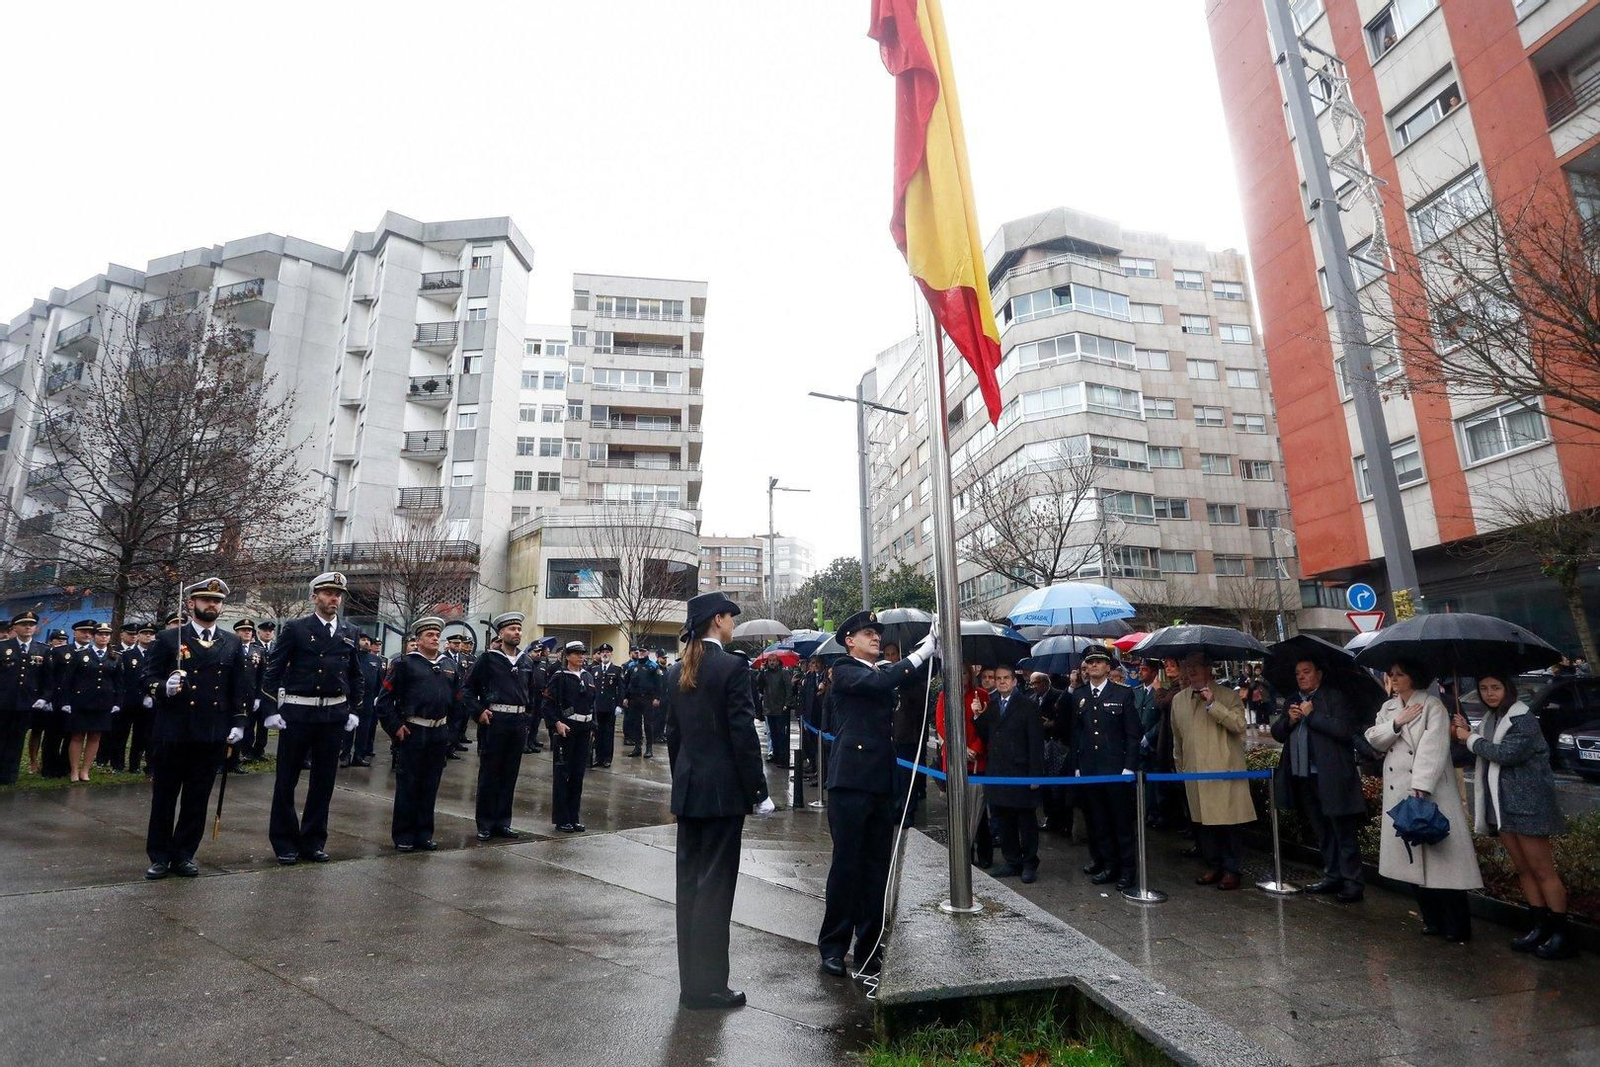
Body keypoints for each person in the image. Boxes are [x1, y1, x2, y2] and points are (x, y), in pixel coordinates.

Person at [662, 592, 774, 1010]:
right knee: (715, 890)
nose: (732, 623)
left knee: (690, 888)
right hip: (724, 794)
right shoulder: (731, 667)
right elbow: (743, 735)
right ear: (718, 620)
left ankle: (691, 984)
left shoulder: (675, 671)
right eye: (729, 617)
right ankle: (710, 987)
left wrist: (682, 783)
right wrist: (758, 791)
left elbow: (673, 737)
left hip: (690, 791)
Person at [818, 612, 936, 980]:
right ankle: (834, 946)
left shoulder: (881, 670)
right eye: (868, 633)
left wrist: (934, 649)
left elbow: (905, 679)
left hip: (881, 781)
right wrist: (921, 652)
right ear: (849, 640)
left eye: (876, 633)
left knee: (876, 869)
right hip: (850, 781)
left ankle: (869, 947)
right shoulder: (845, 669)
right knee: (847, 865)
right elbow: (881, 681)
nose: (875, 638)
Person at [1453, 669, 1575, 958]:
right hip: (1503, 805)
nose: (1489, 693)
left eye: (1495, 687)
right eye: (1483, 688)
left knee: (1543, 870)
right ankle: (1539, 926)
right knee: (1523, 868)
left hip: (1529, 805)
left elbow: (1505, 754)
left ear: (1508, 689)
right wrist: (1464, 732)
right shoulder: (1491, 718)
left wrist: (1469, 737)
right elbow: (1480, 746)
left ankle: (1562, 934)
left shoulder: (1523, 719)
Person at [1363, 658, 1482, 943]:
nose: (1393, 680)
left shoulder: (1432, 705)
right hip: (1399, 791)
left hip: (1430, 792)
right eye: (1391, 675)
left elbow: (1435, 746)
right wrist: (1396, 723)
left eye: (1399, 675)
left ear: (1412, 678)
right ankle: (1432, 919)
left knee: (1445, 863)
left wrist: (1421, 785)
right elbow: (1373, 738)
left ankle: (1456, 923)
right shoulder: (1388, 708)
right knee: (1412, 858)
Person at [141, 579, 251, 879]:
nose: (211, 605)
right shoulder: (168, 639)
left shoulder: (231, 642)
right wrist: (165, 686)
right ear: (191, 604)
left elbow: (238, 687)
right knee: (164, 796)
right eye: (205, 600)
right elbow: (146, 676)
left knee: (197, 798)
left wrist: (239, 722)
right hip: (173, 730)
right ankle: (159, 856)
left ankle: (184, 854)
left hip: (211, 731)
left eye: (216, 601)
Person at [260, 572, 365, 865]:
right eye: (328, 593)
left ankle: (313, 840)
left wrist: (354, 709)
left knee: (324, 782)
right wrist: (271, 711)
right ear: (314, 597)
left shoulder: (349, 630)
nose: (334, 598)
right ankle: (284, 842)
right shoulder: (296, 628)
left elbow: (355, 674)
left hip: (332, 714)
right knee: (286, 781)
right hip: (299, 712)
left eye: (338, 594)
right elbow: (273, 671)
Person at [1271, 658, 1366, 903]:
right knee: (1322, 830)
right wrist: (1290, 721)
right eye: (1297, 673)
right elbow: (1278, 733)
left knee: (1343, 830)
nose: (1301, 677)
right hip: (1304, 776)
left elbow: (1345, 730)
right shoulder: (1293, 699)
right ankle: (1332, 874)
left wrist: (1312, 716)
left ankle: (1352, 881)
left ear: (1319, 674)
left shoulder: (1335, 698)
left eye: (1306, 672)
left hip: (1333, 776)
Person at [377, 617, 465, 853]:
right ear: (418, 640)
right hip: (414, 731)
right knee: (408, 785)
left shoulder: (449, 665)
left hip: (439, 733)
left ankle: (424, 834)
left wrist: (451, 732)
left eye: (438, 635)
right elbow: (384, 702)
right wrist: (396, 726)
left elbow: (458, 702)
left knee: (430, 785)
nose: (435, 639)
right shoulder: (405, 664)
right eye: (430, 635)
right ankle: (404, 835)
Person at [1169, 653, 1255, 890]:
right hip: (1194, 773)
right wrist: (1181, 770)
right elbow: (1178, 740)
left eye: (1196, 666)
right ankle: (1214, 865)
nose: (1191, 671)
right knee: (1203, 825)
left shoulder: (1228, 695)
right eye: (1187, 666)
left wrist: (1212, 705)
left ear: (1209, 669)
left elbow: (1239, 725)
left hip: (1223, 771)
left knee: (1227, 823)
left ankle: (1231, 869)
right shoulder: (1179, 700)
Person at [1070, 649, 1141, 890]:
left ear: (1108, 667)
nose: (1095, 666)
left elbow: (1133, 734)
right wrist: (1078, 765)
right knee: (1098, 821)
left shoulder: (1122, 693)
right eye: (1090, 663)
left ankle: (1127, 870)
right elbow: (1076, 733)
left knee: (1121, 822)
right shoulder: (1079, 695)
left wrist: (1129, 766)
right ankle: (1109, 865)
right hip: (1090, 768)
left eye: (1100, 662)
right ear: (1086, 668)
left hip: (1115, 768)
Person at [465, 612, 537, 840]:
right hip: (494, 721)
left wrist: (528, 717)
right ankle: (485, 823)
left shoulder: (526, 661)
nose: (516, 633)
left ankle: (503, 822)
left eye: (518, 629)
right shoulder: (487, 659)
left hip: (517, 723)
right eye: (512, 629)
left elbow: (532, 692)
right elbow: (467, 691)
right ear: (501, 633)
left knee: (509, 774)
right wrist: (478, 712)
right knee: (490, 774)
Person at [975, 664, 1044, 883]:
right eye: (998, 678)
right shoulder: (993, 705)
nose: (1002, 681)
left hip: (1021, 772)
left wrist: (1035, 775)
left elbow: (1035, 742)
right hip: (998, 772)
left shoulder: (1028, 705)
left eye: (1006, 678)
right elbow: (985, 734)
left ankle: (1029, 862)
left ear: (1014, 681)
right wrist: (978, 715)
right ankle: (1012, 860)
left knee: (1025, 821)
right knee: (1003, 820)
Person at [934, 664, 992, 869]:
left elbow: (987, 726)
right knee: (958, 809)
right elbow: (941, 724)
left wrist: (974, 748)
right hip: (954, 756)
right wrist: (959, 748)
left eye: (965, 672)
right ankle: (964, 853)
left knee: (979, 809)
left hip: (977, 760)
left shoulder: (982, 694)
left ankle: (985, 853)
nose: (961, 677)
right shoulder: (944, 695)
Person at [56, 621, 121, 782]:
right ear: (93, 636)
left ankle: (85, 770)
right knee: (77, 736)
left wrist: (117, 702)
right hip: (81, 701)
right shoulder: (80, 655)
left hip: (103, 703)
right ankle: (74, 770)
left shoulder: (115, 657)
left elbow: (119, 683)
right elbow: (68, 680)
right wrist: (66, 701)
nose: (103, 637)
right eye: (100, 634)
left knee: (95, 737)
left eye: (106, 634)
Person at [544, 641, 597, 833]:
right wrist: (557, 723)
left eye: (583, 653)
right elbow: (547, 705)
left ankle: (574, 817)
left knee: (578, 775)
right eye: (576, 654)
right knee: (562, 775)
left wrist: (593, 727)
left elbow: (593, 704)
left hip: (584, 728)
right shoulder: (559, 677)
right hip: (567, 728)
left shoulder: (588, 676)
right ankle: (561, 818)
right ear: (567, 656)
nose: (581, 657)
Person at [0, 610, 51, 786]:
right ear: (14, 627)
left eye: (31, 624)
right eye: (24, 624)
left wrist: (44, 698)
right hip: (3, 701)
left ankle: (10, 775)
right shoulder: (3, 647)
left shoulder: (42, 650)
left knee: (17, 739)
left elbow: (47, 679)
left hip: (26, 703)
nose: (28, 627)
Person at [99, 621, 145, 771]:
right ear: (122, 635)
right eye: (130, 634)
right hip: (119, 697)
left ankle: (133, 764)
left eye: (135, 634)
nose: (133, 637)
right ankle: (107, 759)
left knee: (138, 734)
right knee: (115, 733)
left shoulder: (144, 652)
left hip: (138, 699)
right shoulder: (114, 651)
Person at [589, 643, 624, 769]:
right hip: (597, 707)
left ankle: (607, 758)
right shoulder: (594, 670)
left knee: (608, 734)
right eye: (602, 652)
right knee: (598, 733)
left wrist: (619, 705)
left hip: (610, 707)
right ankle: (598, 758)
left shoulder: (617, 670)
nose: (605, 654)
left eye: (607, 652)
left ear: (611, 654)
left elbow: (621, 689)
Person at [759, 656, 792, 767]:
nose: (772, 663)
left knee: (781, 734)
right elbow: (759, 685)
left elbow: (788, 689)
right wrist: (761, 671)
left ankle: (783, 758)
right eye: (770, 661)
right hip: (769, 708)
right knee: (773, 734)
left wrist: (787, 703)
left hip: (781, 708)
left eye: (774, 661)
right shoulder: (766, 673)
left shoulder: (784, 673)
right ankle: (776, 755)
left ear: (778, 662)